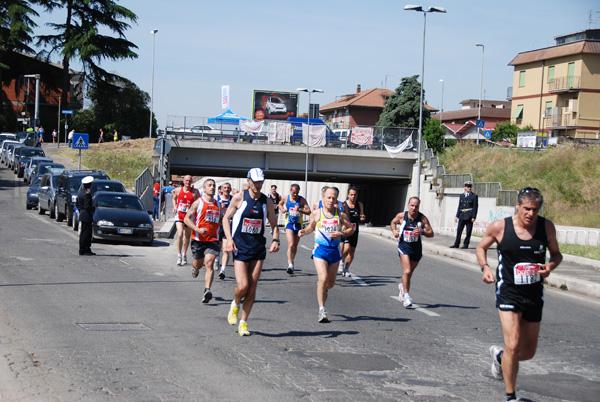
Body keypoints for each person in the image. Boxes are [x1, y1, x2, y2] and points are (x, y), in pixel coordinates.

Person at [476, 187, 562, 402]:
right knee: (513, 344)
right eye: (527, 208)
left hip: (534, 294)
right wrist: (485, 267)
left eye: (535, 209)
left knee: (528, 352)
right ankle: (510, 396)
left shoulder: (546, 227)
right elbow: (480, 247)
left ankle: (499, 356)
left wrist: (550, 266)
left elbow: (557, 254)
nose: (531, 214)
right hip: (508, 292)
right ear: (517, 205)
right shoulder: (500, 227)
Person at [222, 168, 280, 336]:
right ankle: (234, 304)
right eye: (255, 182)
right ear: (248, 180)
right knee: (243, 286)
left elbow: (274, 225)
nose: (258, 185)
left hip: (258, 248)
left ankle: (243, 323)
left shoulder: (266, 201)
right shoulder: (239, 198)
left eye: (261, 182)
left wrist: (276, 240)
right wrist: (229, 239)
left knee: (252, 288)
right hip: (240, 246)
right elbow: (226, 219)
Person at [299, 187, 354, 323]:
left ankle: (324, 289)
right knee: (322, 279)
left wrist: (341, 234)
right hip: (320, 250)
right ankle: (322, 310)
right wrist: (304, 232)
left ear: (337, 200)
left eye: (333, 198)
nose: (331, 200)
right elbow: (311, 227)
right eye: (328, 197)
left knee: (330, 284)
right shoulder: (317, 213)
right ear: (323, 198)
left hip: (335, 252)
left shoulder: (340, 215)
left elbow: (351, 229)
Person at [390, 196, 434, 308]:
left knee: (409, 274)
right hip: (404, 247)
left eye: (416, 206)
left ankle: (402, 287)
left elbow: (431, 233)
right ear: (408, 205)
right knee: (407, 271)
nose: (414, 208)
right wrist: (395, 231)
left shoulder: (422, 218)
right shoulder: (402, 216)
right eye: (412, 205)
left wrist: (422, 232)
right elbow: (393, 222)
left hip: (416, 249)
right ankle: (407, 297)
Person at [184, 179, 221, 304]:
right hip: (198, 239)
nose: (212, 187)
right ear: (204, 189)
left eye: (214, 186)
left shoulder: (219, 204)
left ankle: (207, 291)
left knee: (209, 263)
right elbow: (186, 219)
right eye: (209, 185)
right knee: (198, 264)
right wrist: (197, 229)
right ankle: (195, 268)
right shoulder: (198, 203)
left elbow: (222, 220)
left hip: (213, 239)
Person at [278, 183, 310, 275]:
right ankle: (290, 264)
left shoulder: (302, 200)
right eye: (293, 193)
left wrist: (300, 210)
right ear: (290, 191)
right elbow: (280, 204)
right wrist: (282, 209)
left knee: (295, 246)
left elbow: (309, 211)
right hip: (289, 224)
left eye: (296, 193)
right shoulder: (286, 198)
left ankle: (292, 260)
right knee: (291, 244)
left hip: (298, 225)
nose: (295, 195)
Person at [172, 175, 200, 266]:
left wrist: (195, 211)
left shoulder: (195, 192)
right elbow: (174, 198)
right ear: (183, 181)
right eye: (186, 180)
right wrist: (175, 206)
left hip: (189, 217)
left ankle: (184, 254)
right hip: (179, 216)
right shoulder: (178, 190)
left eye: (189, 181)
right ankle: (179, 254)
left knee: (187, 237)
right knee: (180, 234)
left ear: (191, 182)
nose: (188, 182)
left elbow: (199, 202)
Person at [340, 187, 366, 277]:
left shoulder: (360, 204)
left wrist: (362, 217)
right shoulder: (344, 205)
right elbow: (341, 217)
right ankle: (342, 261)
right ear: (348, 195)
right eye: (351, 195)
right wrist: (343, 224)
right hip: (347, 229)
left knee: (352, 252)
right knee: (346, 248)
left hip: (355, 230)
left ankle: (346, 269)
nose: (353, 196)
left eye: (355, 195)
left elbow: (361, 215)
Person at [450, 181, 478, 249]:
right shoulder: (462, 196)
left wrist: (473, 217)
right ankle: (456, 243)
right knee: (459, 230)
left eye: (470, 186)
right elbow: (459, 206)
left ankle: (466, 244)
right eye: (468, 187)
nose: (469, 188)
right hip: (462, 215)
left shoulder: (474, 196)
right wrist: (457, 215)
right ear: (465, 187)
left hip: (469, 215)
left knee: (468, 231)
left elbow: (475, 207)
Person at [76, 176, 96, 256]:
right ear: (90, 185)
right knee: (87, 233)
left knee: (83, 233)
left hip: (82, 214)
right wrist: (94, 208)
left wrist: (81, 210)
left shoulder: (80, 192)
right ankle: (85, 249)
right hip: (87, 216)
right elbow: (88, 206)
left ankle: (83, 248)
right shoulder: (87, 194)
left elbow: (77, 204)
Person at [217, 182, 232, 279]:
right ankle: (217, 259)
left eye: (228, 188)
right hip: (218, 227)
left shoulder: (233, 200)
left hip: (228, 227)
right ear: (221, 190)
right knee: (218, 248)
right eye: (225, 188)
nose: (226, 189)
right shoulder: (216, 199)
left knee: (226, 250)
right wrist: (219, 209)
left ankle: (223, 269)